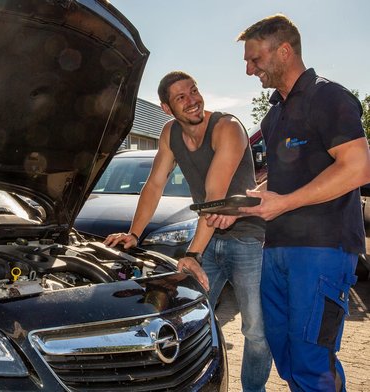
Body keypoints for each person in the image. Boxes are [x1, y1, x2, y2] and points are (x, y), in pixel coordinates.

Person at [103, 71, 272, 392]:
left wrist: (192, 253)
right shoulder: (169, 133)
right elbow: (154, 185)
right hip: (210, 241)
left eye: (193, 91)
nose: (192, 100)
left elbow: (214, 196)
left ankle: (254, 389)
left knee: (254, 330)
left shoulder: (228, 128)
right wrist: (134, 235)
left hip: (248, 240)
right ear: (167, 108)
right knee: (188, 320)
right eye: (181, 97)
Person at [235, 14, 370, 392]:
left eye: (254, 59)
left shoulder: (329, 96)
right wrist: (247, 203)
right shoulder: (275, 112)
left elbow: (358, 167)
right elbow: (281, 178)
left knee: (313, 361)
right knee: (287, 356)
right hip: (275, 248)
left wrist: (285, 202)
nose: (249, 70)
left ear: (284, 50)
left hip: (322, 249)